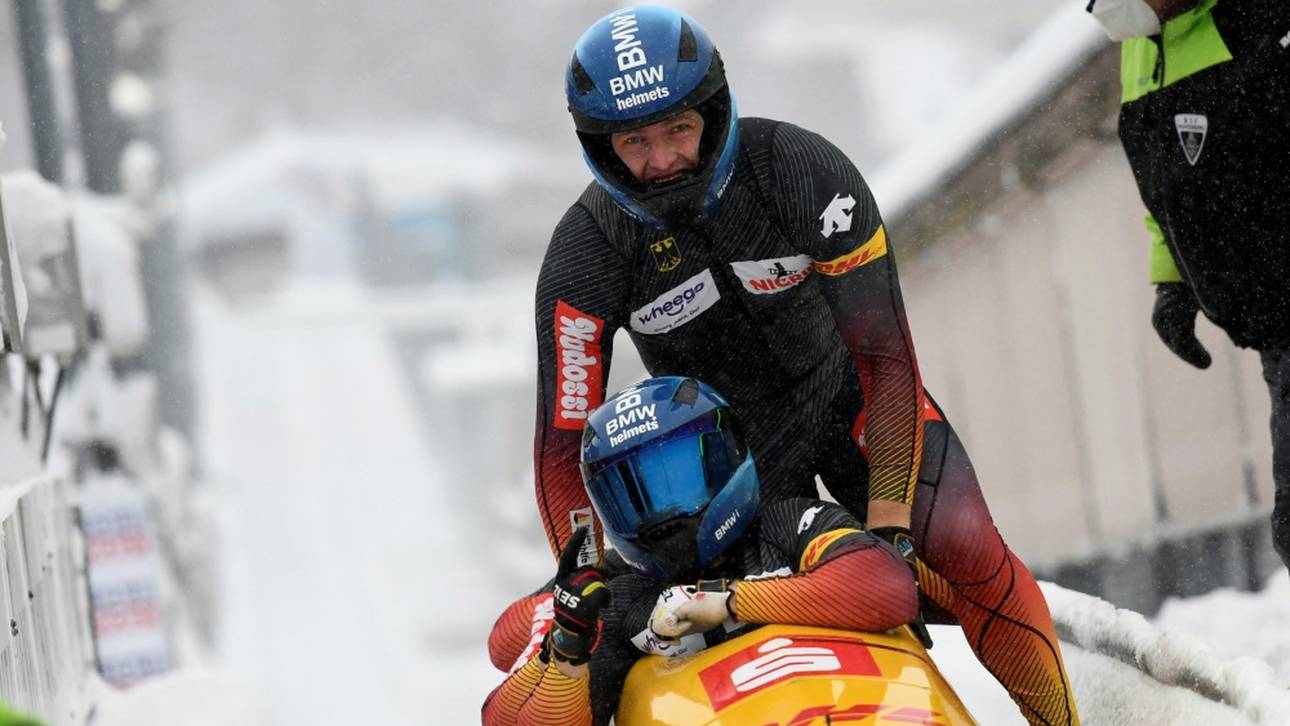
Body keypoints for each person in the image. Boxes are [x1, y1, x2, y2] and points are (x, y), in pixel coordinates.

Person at [524, 6, 1080, 724]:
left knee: (965, 552)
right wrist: (583, 573)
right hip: (731, 464)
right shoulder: (584, 257)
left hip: (852, 402)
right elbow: (562, 447)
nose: (661, 161)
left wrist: (890, 525)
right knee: (639, 624)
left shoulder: (801, 173)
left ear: (713, 113)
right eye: (634, 141)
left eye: (678, 130)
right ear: (600, 148)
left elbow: (884, 357)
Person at [484, 377, 921, 725]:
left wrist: (728, 601)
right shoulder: (618, 597)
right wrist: (567, 644)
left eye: (678, 481)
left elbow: (889, 587)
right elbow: (503, 697)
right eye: (633, 496)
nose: (662, 517)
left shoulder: (789, 526)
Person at [1086, 0, 1290, 569]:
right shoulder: (1139, 49)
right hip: (1273, 327)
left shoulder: (1267, 18)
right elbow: (1166, 184)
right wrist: (1173, 282)